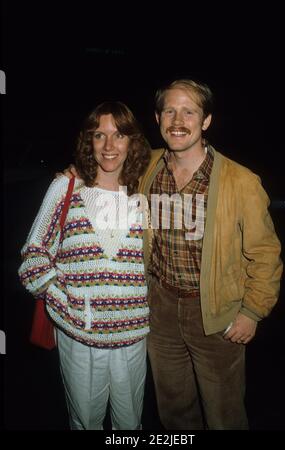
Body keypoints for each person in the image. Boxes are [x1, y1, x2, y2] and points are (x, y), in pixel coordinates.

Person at [63, 79, 283, 430]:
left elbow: (266, 253)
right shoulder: (145, 166)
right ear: (157, 117)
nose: (178, 120)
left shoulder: (240, 181)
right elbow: (104, 165)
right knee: (174, 413)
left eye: (189, 111)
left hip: (214, 314)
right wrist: (74, 175)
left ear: (206, 121)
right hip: (160, 310)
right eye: (169, 111)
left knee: (224, 415)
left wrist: (252, 311)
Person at [18, 101, 151, 430]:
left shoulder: (145, 194)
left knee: (130, 425)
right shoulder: (65, 189)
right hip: (78, 333)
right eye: (99, 135)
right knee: (84, 422)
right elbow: (33, 256)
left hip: (133, 336)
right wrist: (65, 303)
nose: (109, 146)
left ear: (132, 142)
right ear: (87, 141)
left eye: (119, 136)